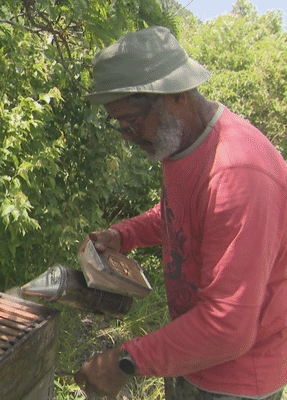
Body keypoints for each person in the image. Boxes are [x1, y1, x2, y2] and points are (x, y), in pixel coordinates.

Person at [74, 26, 287, 400]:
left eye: (133, 123)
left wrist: (126, 361)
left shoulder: (240, 174)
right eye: (120, 127)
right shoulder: (185, 144)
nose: (129, 138)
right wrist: (124, 235)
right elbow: (178, 212)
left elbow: (227, 329)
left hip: (236, 383)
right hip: (194, 360)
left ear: (175, 95)